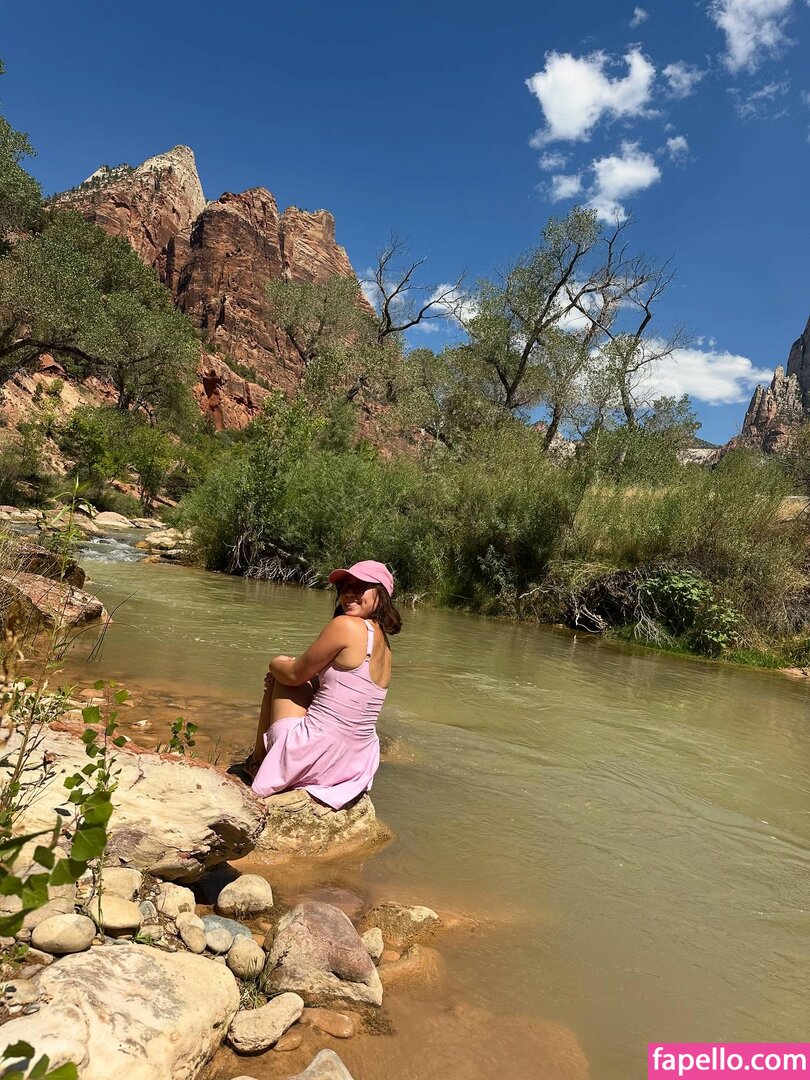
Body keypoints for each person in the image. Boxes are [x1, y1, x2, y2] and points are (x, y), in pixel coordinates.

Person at [247, 560, 401, 809]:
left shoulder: (346, 625)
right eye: (343, 587)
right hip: (354, 765)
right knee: (305, 679)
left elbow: (294, 675)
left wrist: (275, 663)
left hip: (315, 755)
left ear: (381, 594)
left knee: (283, 672)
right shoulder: (384, 643)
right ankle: (263, 759)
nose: (348, 593)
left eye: (359, 587)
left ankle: (258, 761)